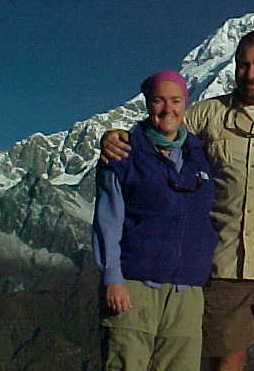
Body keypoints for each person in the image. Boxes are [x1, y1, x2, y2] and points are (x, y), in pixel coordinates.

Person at [101, 31, 254, 371]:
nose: (251, 74)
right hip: (222, 266)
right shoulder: (209, 115)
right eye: (244, 65)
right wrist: (118, 137)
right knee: (225, 363)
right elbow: (163, 128)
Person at [93, 70, 217, 371]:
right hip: (134, 288)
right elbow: (108, 220)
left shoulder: (199, 156)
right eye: (158, 101)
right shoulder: (122, 153)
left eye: (175, 101)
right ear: (147, 103)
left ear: (185, 104)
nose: (167, 109)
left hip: (186, 292)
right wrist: (112, 278)